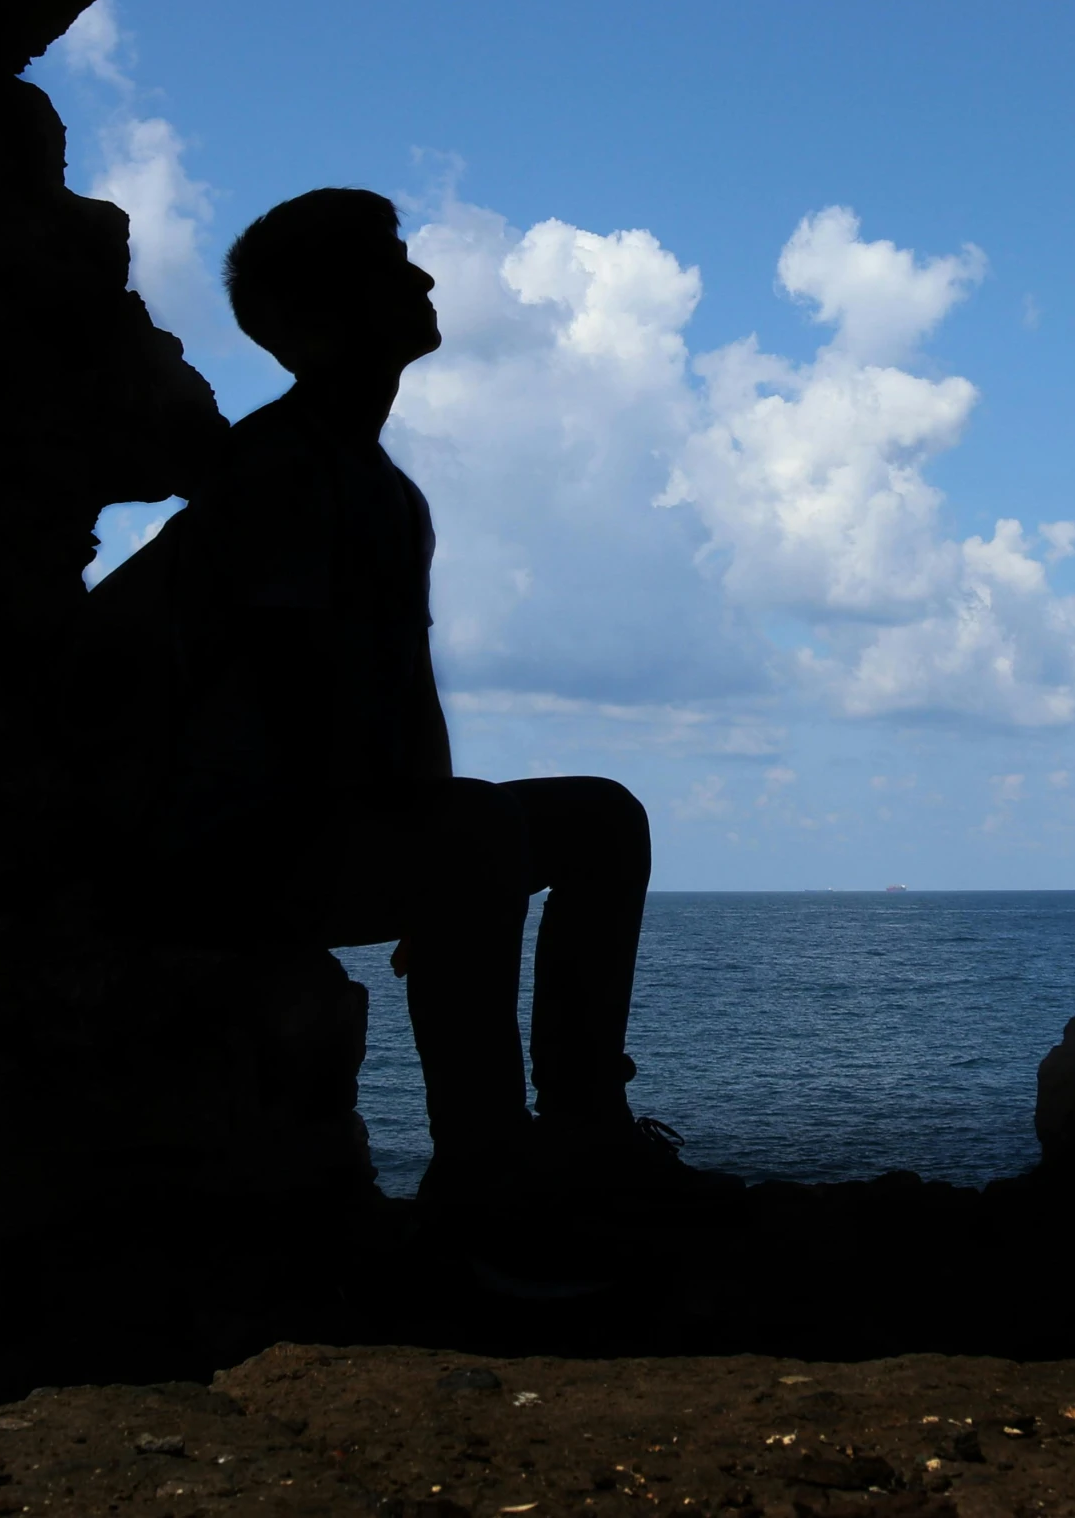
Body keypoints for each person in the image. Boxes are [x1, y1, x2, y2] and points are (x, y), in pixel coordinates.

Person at [79, 186, 720, 1207]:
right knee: (474, 829)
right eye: (391, 263)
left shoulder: (374, 483)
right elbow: (302, 700)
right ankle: (484, 1176)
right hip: (206, 854)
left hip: (309, 829)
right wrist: (439, 851)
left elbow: (397, 696)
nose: (422, 278)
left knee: (599, 817)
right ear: (323, 311)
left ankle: (586, 1125)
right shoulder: (281, 470)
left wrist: (433, 840)